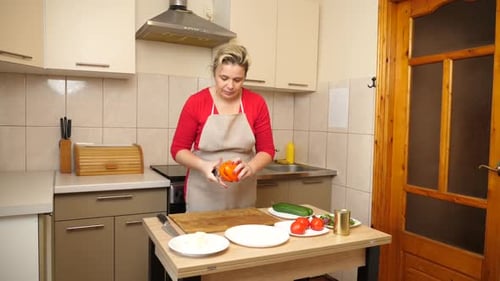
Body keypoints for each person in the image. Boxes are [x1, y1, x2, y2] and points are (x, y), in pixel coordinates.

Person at [170, 43, 276, 212]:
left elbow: (267, 150)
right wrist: (203, 165)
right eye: (224, 78)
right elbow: (178, 150)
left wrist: (251, 167)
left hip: (242, 192)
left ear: (245, 77)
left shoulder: (256, 103)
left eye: (237, 80)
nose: (230, 86)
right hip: (204, 192)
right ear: (214, 73)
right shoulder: (196, 102)